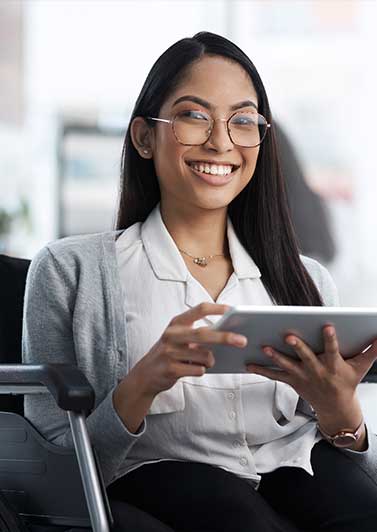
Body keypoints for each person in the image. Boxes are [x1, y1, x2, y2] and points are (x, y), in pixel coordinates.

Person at [22, 32, 377, 532]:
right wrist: (141, 384)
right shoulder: (69, 270)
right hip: (156, 477)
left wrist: (343, 414)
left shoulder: (307, 279)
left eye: (243, 121)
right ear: (144, 137)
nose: (221, 141)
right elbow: (48, 474)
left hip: (294, 469)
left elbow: (348, 453)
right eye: (194, 116)